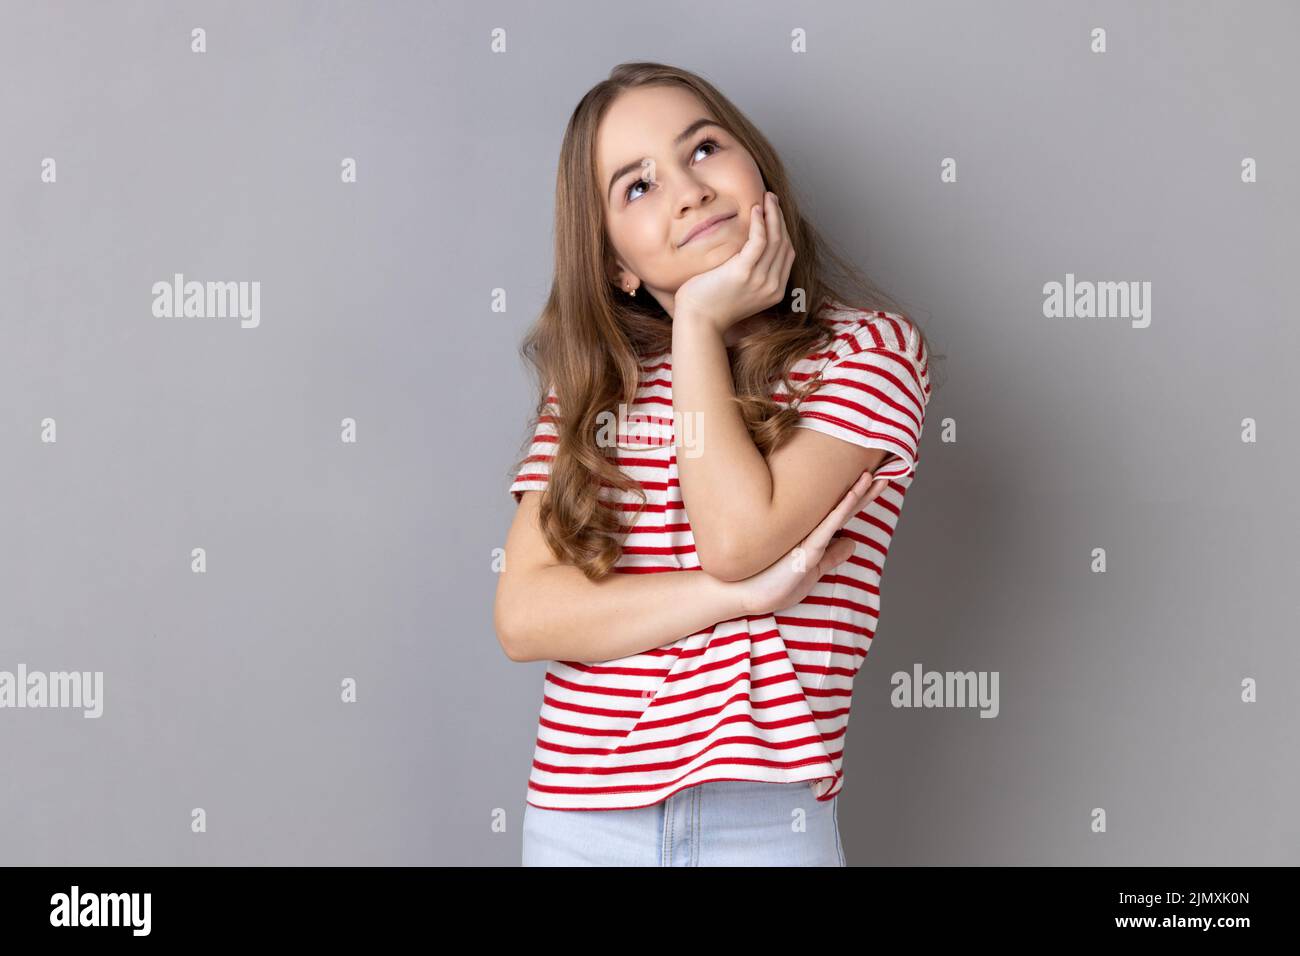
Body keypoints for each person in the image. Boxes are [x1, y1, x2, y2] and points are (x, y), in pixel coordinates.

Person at [495, 61, 939, 866]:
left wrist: (698, 321)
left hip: (765, 822)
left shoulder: (868, 352)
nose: (688, 190)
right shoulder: (596, 389)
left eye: (702, 149)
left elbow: (739, 535)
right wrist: (731, 596)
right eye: (638, 187)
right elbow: (526, 616)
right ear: (617, 266)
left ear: (757, 169)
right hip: (579, 819)